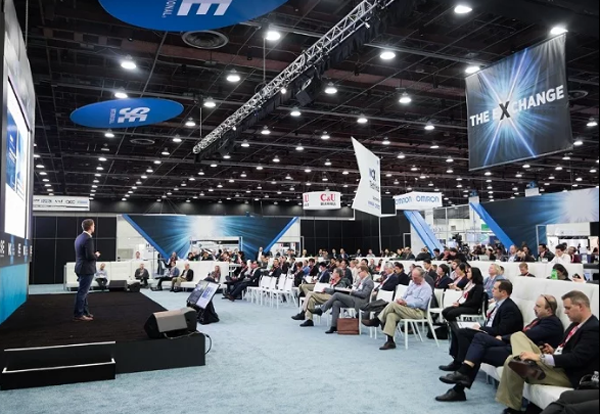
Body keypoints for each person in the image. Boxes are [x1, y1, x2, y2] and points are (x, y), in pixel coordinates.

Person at [436, 294, 564, 403]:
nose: (534, 308)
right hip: (511, 346)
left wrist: (503, 337)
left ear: (549, 310)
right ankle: (462, 376)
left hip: (519, 354)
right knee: (479, 339)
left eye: (538, 306)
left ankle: (460, 382)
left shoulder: (552, 323)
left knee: (478, 351)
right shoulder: (540, 320)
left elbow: (527, 335)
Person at [497, 291, 600, 414]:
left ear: (580, 307)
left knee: (511, 361)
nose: (565, 312)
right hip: (558, 365)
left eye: (568, 308)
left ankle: (513, 409)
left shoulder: (593, 328)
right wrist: (554, 350)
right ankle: (525, 362)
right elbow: (567, 349)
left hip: (568, 374)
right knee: (517, 336)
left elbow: (576, 359)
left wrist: (541, 357)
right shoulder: (575, 324)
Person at [440, 280, 524, 374]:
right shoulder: (500, 304)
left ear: (503, 292)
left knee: (463, 333)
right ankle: (457, 360)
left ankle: (460, 363)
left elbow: (501, 330)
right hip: (489, 332)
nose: (492, 290)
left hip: (499, 338)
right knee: (457, 328)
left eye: (495, 288)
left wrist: (481, 329)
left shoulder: (509, 308)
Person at [362, 267, 433, 350]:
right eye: (412, 277)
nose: (413, 279)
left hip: (417, 311)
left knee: (392, 304)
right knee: (391, 315)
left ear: (422, 276)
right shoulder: (412, 284)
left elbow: (420, 302)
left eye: (415, 278)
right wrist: (401, 300)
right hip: (406, 308)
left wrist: (406, 303)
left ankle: (376, 320)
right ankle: (390, 341)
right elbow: (405, 295)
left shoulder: (426, 288)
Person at [311, 265, 374, 334]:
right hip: (354, 298)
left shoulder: (369, 281)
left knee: (336, 294)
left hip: (360, 302)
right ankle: (334, 326)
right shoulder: (361, 280)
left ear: (364, 271)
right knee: (336, 303)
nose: (358, 274)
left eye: (359, 272)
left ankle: (321, 310)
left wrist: (352, 292)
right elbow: (357, 289)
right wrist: (351, 290)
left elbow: (364, 294)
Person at [73, 219, 100, 322]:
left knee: (83, 291)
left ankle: (85, 312)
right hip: (86, 269)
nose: (94, 227)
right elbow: (89, 256)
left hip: (79, 267)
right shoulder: (88, 239)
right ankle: (79, 314)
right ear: (90, 227)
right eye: (94, 225)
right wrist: (96, 255)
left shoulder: (79, 237)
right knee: (82, 292)